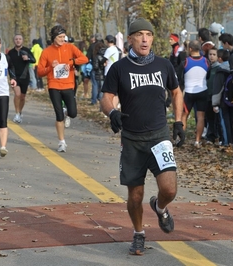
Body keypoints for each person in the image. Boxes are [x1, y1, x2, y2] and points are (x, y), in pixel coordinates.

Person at [100, 17, 185, 255]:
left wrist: (179, 122)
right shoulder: (119, 68)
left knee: (169, 189)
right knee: (135, 195)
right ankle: (138, 233)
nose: (145, 39)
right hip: (132, 140)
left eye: (149, 34)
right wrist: (112, 112)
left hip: (159, 137)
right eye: (140, 35)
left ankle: (160, 207)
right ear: (130, 39)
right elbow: (105, 98)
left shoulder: (164, 65)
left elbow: (176, 92)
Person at [37, 25, 88, 152]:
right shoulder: (46, 52)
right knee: (58, 115)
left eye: (63, 36)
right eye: (59, 37)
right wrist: (50, 68)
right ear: (53, 37)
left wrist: (71, 63)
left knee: (73, 113)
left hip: (68, 85)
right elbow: (39, 72)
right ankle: (62, 142)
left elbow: (84, 58)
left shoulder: (70, 47)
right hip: (54, 85)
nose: (62, 39)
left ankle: (67, 113)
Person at [178, 40, 209, 148]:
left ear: (190, 49)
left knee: (184, 116)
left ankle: (181, 139)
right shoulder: (206, 61)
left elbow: (179, 78)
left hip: (189, 93)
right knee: (200, 117)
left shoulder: (185, 61)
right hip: (203, 91)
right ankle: (197, 141)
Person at [7, 34, 36, 123]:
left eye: (20, 39)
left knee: (22, 97)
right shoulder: (10, 52)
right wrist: (11, 76)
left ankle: (20, 112)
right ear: (14, 41)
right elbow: (7, 64)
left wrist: (28, 58)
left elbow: (34, 60)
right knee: (17, 94)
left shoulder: (26, 50)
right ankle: (16, 114)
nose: (18, 40)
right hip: (14, 77)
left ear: (22, 40)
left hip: (24, 77)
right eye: (16, 39)